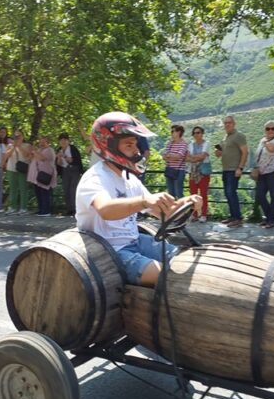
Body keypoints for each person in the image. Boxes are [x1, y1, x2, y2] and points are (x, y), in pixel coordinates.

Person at [76, 112, 201, 287]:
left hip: (136, 241)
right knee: (169, 277)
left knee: (186, 262)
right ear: (108, 145)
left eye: (135, 144)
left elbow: (162, 212)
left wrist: (187, 202)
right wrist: (144, 201)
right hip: (110, 251)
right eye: (129, 145)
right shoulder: (95, 177)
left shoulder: (130, 179)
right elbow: (105, 209)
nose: (136, 150)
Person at [214, 116, 248, 227]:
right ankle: (233, 216)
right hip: (226, 169)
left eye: (229, 122)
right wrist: (218, 152)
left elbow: (245, 152)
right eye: (225, 123)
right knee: (228, 194)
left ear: (234, 124)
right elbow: (219, 154)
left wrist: (240, 168)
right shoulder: (225, 138)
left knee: (231, 193)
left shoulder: (239, 136)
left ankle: (238, 218)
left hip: (234, 169)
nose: (227, 125)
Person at [253, 121, 274, 229]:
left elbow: (271, 149)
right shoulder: (262, 140)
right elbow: (258, 155)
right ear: (265, 130)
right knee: (260, 195)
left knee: (273, 196)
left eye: (273, 128)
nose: (270, 130)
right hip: (262, 172)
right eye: (268, 129)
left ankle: (271, 220)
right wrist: (256, 167)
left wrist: (265, 142)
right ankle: (268, 217)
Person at [3, 129, 31, 215]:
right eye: (15, 136)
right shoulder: (10, 145)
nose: (17, 138)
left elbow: (27, 155)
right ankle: (12, 207)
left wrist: (19, 146)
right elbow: (6, 156)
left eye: (19, 136)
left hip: (22, 169)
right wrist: (13, 147)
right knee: (13, 188)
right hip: (11, 168)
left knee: (23, 188)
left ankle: (23, 208)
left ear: (23, 137)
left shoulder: (27, 145)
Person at [27, 136, 57, 216]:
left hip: (45, 174)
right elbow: (31, 159)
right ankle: (41, 209)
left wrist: (35, 151)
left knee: (45, 192)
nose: (41, 144)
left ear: (48, 143)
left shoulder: (50, 150)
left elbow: (42, 158)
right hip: (37, 175)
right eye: (41, 142)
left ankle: (46, 211)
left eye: (44, 142)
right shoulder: (39, 150)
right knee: (38, 192)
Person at [186, 126, 211, 222]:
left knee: (203, 194)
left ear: (202, 133)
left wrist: (193, 158)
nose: (197, 134)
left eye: (199, 132)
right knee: (193, 194)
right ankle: (194, 214)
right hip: (193, 172)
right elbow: (187, 158)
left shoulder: (206, 144)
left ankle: (203, 214)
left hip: (203, 172)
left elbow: (202, 156)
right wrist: (196, 157)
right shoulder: (191, 145)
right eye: (195, 133)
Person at [56, 133, 84, 216]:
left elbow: (72, 160)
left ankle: (76, 209)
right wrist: (59, 158)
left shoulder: (72, 148)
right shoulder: (59, 150)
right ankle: (69, 209)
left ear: (68, 141)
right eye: (61, 140)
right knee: (66, 190)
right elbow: (59, 164)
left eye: (65, 140)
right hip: (65, 170)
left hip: (74, 170)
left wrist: (63, 155)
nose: (63, 142)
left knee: (73, 189)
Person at [162, 125, 188, 199]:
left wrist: (169, 156)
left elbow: (179, 156)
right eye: (171, 131)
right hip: (170, 169)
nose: (172, 133)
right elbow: (164, 156)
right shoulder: (170, 144)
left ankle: (183, 209)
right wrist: (172, 156)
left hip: (179, 170)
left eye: (173, 131)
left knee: (178, 192)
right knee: (170, 193)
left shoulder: (184, 144)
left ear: (179, 132)